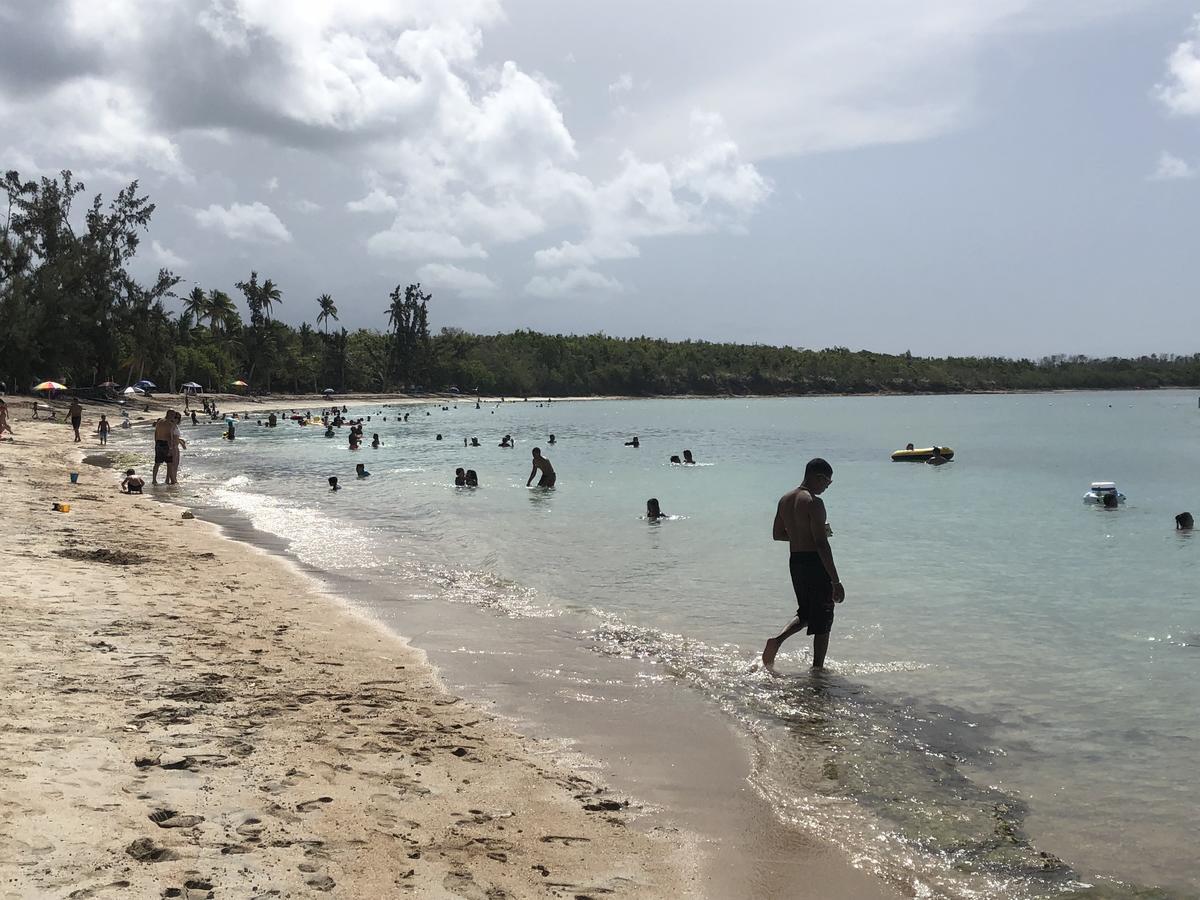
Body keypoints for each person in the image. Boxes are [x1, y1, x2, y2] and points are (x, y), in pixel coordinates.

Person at [762, 458, 844, 671]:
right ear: (818, 477)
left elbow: (778, 535)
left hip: (796, 561)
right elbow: (821, 544)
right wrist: (836, 581)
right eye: (827, 481)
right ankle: (818, 669)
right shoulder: (814, 503)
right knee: (824, 618)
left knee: (806, 613)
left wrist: (801, 535)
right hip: (815, 562)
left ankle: (777, 640)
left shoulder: (785, 499)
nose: (827, 486)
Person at [167, 411, 187, 484]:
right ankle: (173, 480)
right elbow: (171, 437)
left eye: (178, 418)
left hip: (175, 446)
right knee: (174, 464)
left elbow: (176, 437)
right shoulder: (172, 426)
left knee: (175, 464)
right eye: (175, 417)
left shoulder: (175, 426)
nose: (177, 419)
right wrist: (171, 447)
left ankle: (172, 479)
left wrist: (181, 441)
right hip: (173, 447)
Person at [152, 415, 172, 484]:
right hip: (165, 444)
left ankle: (154, 479)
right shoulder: (168, 424)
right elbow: (169, 436)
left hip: (158, 443)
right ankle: (167, 480)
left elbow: (155, 435)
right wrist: (171, 447)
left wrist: (156, 444)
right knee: (169, 463)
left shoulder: (159, 423)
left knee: (157, 463)